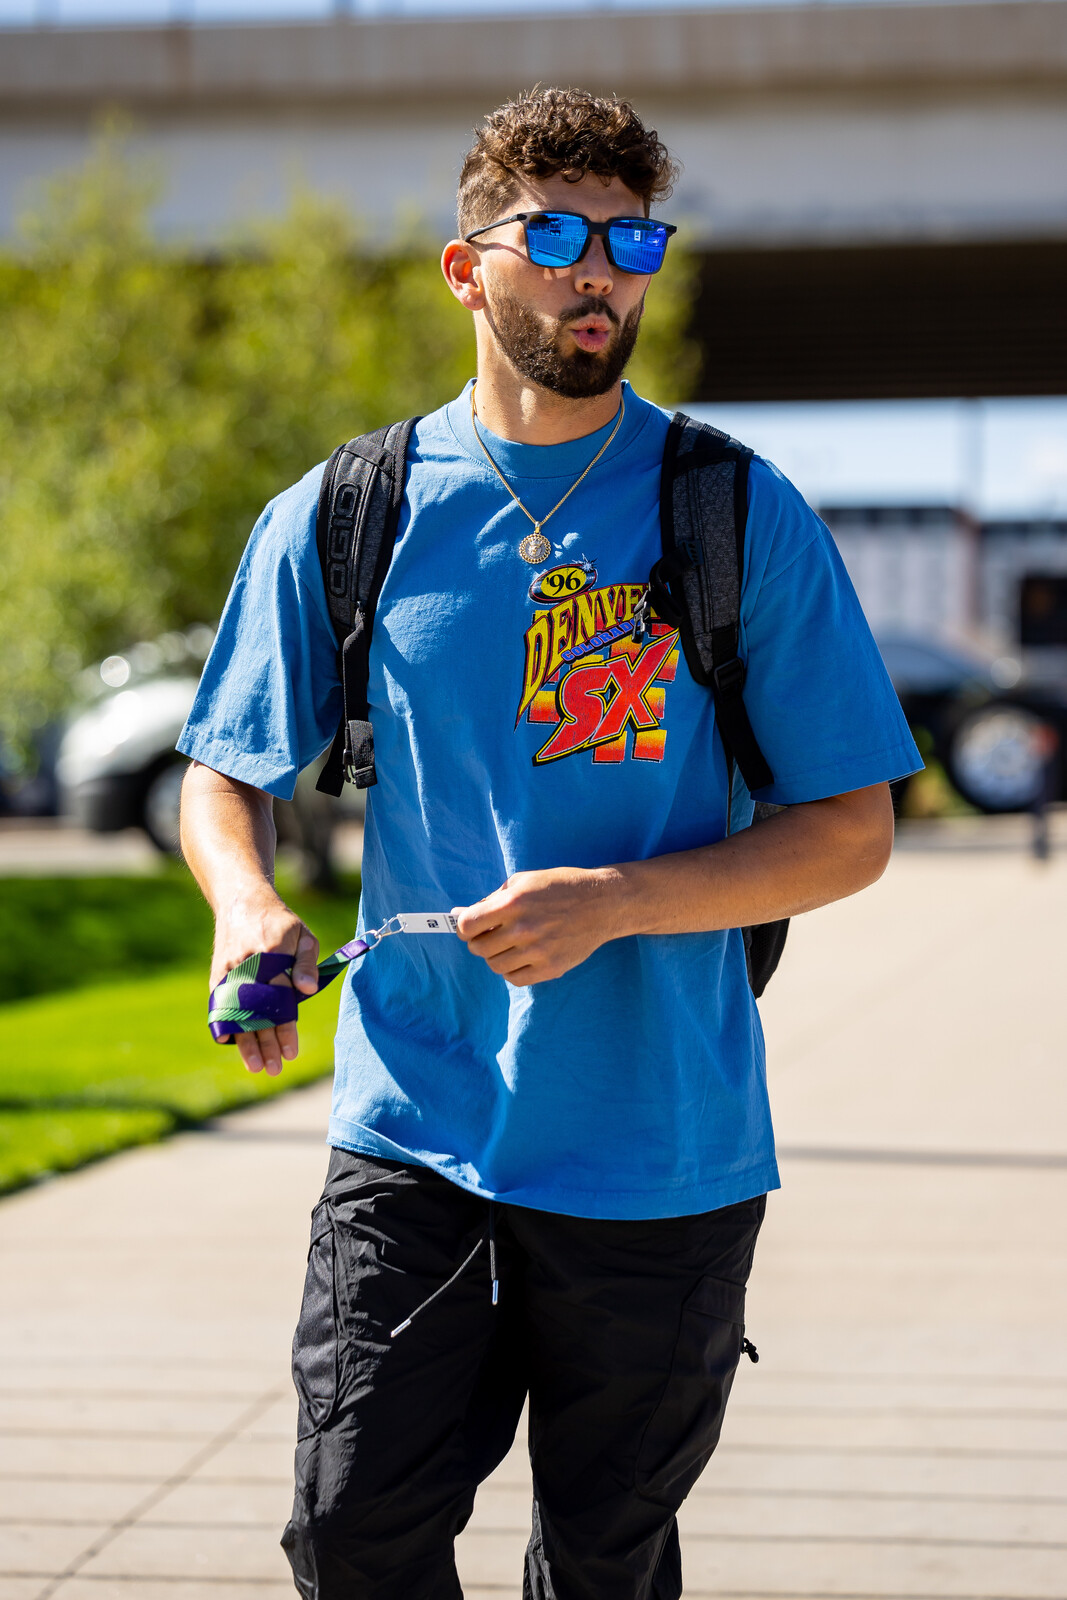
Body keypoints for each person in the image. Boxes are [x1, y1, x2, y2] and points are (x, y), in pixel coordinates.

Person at [179, 87, 920, 1600]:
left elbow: (850, 833)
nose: (602, 274)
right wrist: (244, 906)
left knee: (604, 1560)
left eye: (633, 239)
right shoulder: (350, 514)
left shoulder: (735, 514)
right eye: (562, 236)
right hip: (416, 1133)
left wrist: (622, 900)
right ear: (469, 268)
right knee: (351, 1535)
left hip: (663, 1148)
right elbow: (222, 773)